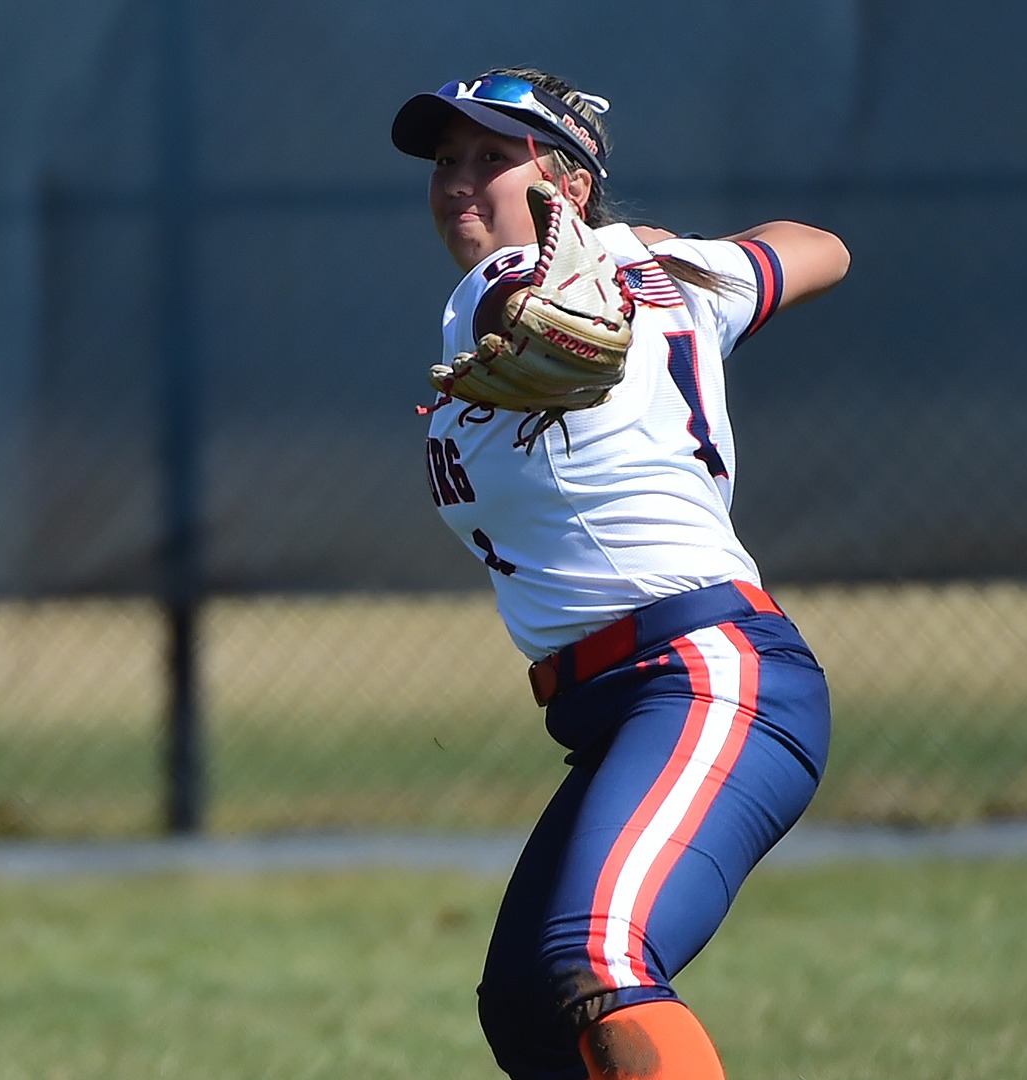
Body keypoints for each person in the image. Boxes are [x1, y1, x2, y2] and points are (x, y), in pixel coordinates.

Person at [391, 67, 850, 1080]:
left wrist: (622, 261)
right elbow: (816, 249)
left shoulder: (497, 296)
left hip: (706, 676)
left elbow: (824, 248)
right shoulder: (668, 280)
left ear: (569, 188)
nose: (460, 181)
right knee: (528, 1007)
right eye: (446, 160)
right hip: (625, 703)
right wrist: (667, 257)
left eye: (492, 159)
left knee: (595, 960)